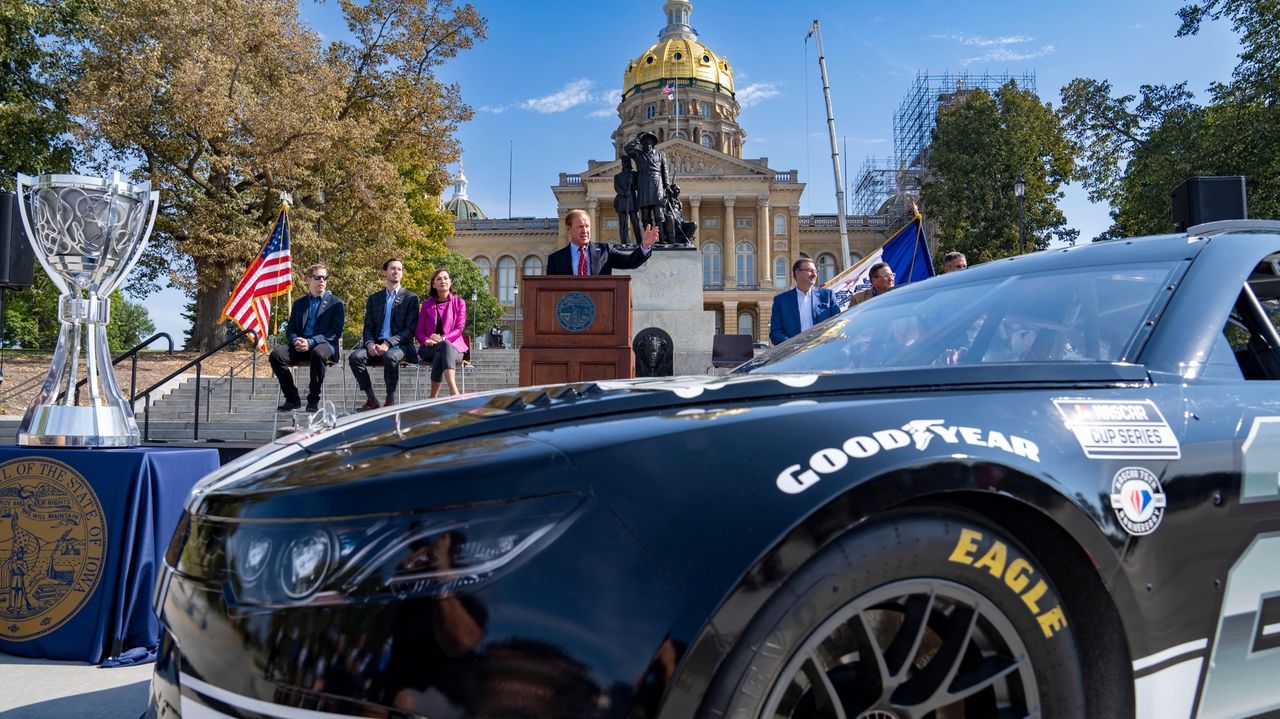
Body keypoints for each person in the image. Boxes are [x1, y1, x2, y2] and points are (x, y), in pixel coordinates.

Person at [270, 264, 345, 412]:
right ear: (308, 279)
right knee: (276, 355)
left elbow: (335, 332)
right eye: (317, 277)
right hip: (300, 345)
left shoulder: (336, 303)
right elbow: (290, 329)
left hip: (324, 344)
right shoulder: (299, 304)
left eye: (325, 277)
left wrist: (311, 342)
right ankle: (292, 398)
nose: (322, 280)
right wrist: (295, 340)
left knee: (318, 353)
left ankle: (313, 399)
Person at [349, 258, 420, 411]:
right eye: (393, 268)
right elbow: (367, 327)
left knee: (390, 356)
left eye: (399, 269)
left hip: (400, 346)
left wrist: (388, 343)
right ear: (385, 272)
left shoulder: (411, 298)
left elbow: (410, 330)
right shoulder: (374, 299)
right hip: (375, 344)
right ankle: (371, 399)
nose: (396, 272)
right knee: (354, 357)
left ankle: (390, 399)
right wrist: (369, 344)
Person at [546, 209, 657, 275]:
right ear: (568, 229)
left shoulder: (605, 251)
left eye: (587, 226)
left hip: (600, 307)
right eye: (580, 227)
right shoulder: (555, 259)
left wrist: (645, 246)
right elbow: (548, 291)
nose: (584, 230)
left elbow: (629, 262)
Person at [416, 268, 470, 398]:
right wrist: (426, 340)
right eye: (439, 279)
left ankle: (433, 398)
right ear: (433, 284)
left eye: (446, 278)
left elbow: (459, 328)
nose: (443, 281)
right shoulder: (426, 305)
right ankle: (454, 391)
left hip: (454, 347)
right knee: (441, 349)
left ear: (450, 282)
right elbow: (419, 331)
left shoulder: (459, 303)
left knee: (441, 352)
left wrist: (443, 338)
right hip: (429, 347)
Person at [769, 258, 841, 345]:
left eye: (815, 271)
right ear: (797, 273)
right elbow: (775, 332)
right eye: (810, 270)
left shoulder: (827, 296)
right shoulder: (781, 300)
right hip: (794, 354)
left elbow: (837, 324)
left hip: (822, 350)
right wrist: (791, 345)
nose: (814, 274)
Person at [624, 131, 670, 234]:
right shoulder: (638, 155)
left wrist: (667, 186)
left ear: (653, 143)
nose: (646, 144)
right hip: (643, 183)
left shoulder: (661, 155)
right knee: (645, 215)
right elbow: (628, 149)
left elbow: (665, 171)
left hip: (657, 183)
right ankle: (648, 239)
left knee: (659, 214)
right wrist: (637, 139)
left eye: (648, 142)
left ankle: (662, 239)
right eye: (644, 142)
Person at [613, 155, 643, 246]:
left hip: (632, 201)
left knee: (635, 222)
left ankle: (639, 241)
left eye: (626, 162)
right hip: (622, 201)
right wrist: (623, 193)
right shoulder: (617, 176)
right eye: (623, 162)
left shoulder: (634, 174)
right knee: (623, 223)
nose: (625, 164)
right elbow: (616, 187)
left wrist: (632, 183)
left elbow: (638, 186)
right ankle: (625, 241)